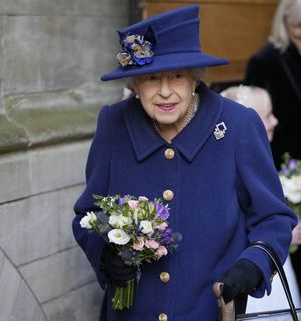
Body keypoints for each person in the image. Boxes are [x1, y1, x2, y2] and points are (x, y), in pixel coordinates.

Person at [72, 5, 297, 320]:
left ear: (195, 78)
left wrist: (254, 263)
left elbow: (274, 218)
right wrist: (106, 253)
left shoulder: (238, 126)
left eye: (176, 76)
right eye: (151, 78)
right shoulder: (114, 124)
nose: (165, 92)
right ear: (135, 84)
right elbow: (87, 215)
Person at [220, 85, 301, 311]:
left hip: (274, 259)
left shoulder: (263, 155)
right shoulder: (237, 166)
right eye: (267, 115)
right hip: (250, 270)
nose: (275, 121)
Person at [244, 0, 301, 299]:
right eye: (298, 29)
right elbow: (253, 126)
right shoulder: (265, 62)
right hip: (281, 167)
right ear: (285, 25)